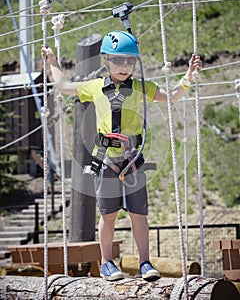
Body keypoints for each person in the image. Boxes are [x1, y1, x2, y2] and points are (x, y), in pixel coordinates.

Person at [41, 30, 202, 281]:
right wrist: (53, 63)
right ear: (106, 61)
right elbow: (62, 86)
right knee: (108, 214)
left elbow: (170, 97)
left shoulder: (141, 87)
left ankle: (145, 262)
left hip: (132, 159)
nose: (124, 66)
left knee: (139, 214)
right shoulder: (95, 87)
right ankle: (106, 262)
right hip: (106, 159)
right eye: (118, 60)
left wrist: (188, 77)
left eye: (130, 61)